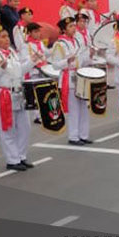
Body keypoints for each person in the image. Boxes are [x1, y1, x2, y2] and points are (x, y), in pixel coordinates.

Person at [0, 27, 35, 171]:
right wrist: (1, 68)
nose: (7, 39)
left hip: (17, 94)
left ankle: (21, 156)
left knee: (25, 127)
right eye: (3, 37)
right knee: (7, 129)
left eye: (7, 36)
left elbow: (19, 71)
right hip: (2, 95)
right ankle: (12, 159)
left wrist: (32, 62)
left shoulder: (11, 52)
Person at [50, 17, 91, 145]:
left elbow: (83, 60)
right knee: (74, 109)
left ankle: (83, 134)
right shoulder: (59, 44)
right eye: (70, 26)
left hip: (80, 75)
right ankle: (73, 136)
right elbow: (55, 65)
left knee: (83, 107)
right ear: (63, 29)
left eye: (74, 25)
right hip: (69, 77)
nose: (74, 28)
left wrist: (91, 55)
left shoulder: (77, 42)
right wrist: (67, 61)